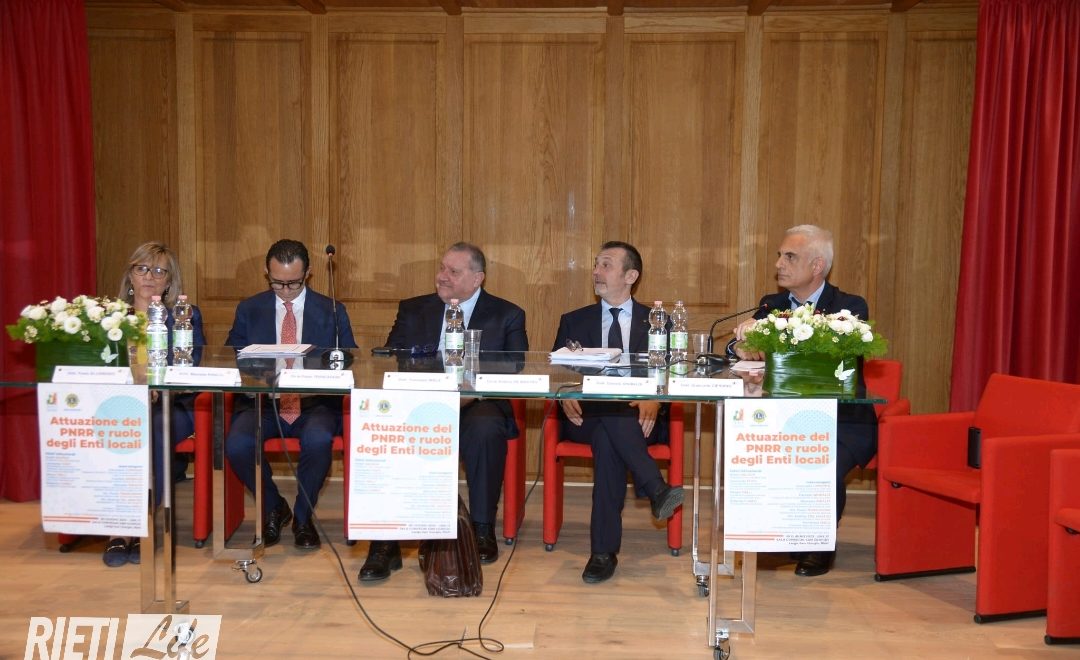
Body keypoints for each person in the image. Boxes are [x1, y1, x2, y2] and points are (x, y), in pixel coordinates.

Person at [358, 242, 528, 582]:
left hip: (478, 403)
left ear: (477, 278)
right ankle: (385, 541)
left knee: (486, 429)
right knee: (384, 424)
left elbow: (514, 365)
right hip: (420, 401)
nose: (442, 276)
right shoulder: (414, 308)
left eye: (453, 271)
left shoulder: (507, 314)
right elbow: (390, 357)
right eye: (441, 268)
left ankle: (481, 527)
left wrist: (468, 390)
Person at [731, 224, 878, 577]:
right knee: (751, 448)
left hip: (843, 422)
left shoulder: (848, 307)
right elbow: (736, 346)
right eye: (779, 256)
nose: (779, 264)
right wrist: (743, 345)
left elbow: (831, 356)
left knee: (821, 461)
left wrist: (773, 346)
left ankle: (818, 545)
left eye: (789, 257)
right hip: (786, 418)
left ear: (817, 266)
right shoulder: (771, 304)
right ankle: (779, 536)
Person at [551, 241, 684, 584]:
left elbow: (674, 372)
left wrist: (657, 399)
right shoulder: (574, 320)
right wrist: (563, 394)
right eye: (596, 264)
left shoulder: (658, 322)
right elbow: (556, 372)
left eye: (606, 265)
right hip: (584, 417)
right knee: (609, 420)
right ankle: (655, 487)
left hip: (641, 419)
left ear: (630, 276)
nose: (596, 271)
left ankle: (602, 552)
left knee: (609, 437)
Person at [224, 239, 357, 549]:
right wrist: (256, 368)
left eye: (293, 283)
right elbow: (232, 355)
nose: (285, 290)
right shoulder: (250, 309)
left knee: (318, 441)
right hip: (263, 403)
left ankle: (303, 517)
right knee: (238, 444)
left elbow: (350, 358)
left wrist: (328, 365)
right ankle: (274, 507)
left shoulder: (331, 310)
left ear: (307, 274)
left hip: (314, 404)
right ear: (266, 273)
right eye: (277, 282)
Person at [104, 242, 206, 568]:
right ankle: (117, 526)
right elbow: (99, 365)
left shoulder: (185, 315)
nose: (149, 277)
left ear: (169, 281)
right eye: (142, 268)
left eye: (159, 271)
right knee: (115, 428)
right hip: (119, 405)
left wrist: (159, 390)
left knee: (152, 433)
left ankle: (143, 524)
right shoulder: (109, 317)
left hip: (171, 406)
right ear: (130, 275)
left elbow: (191, 364)